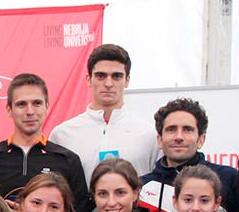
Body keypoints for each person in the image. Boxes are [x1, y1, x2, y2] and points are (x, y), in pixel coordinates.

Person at [0, 73, 92, 212]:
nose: (30, 111)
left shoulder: (68, 160)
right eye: (21, 104)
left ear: (47, 107)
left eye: (37, 103)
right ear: (9, 110)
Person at [48, 43, 158, 181]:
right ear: (89, 80)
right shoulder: (62, 135)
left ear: (127, 80)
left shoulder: (150, 135)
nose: (108, 84)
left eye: (116, 76)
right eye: (101, 76)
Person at [139, 98, 239, 212]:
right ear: (160, 140)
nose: (178, 137)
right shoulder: (141, 186)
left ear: (201, 140)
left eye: (187, 130)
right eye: (171, 129)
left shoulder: (228, 178)